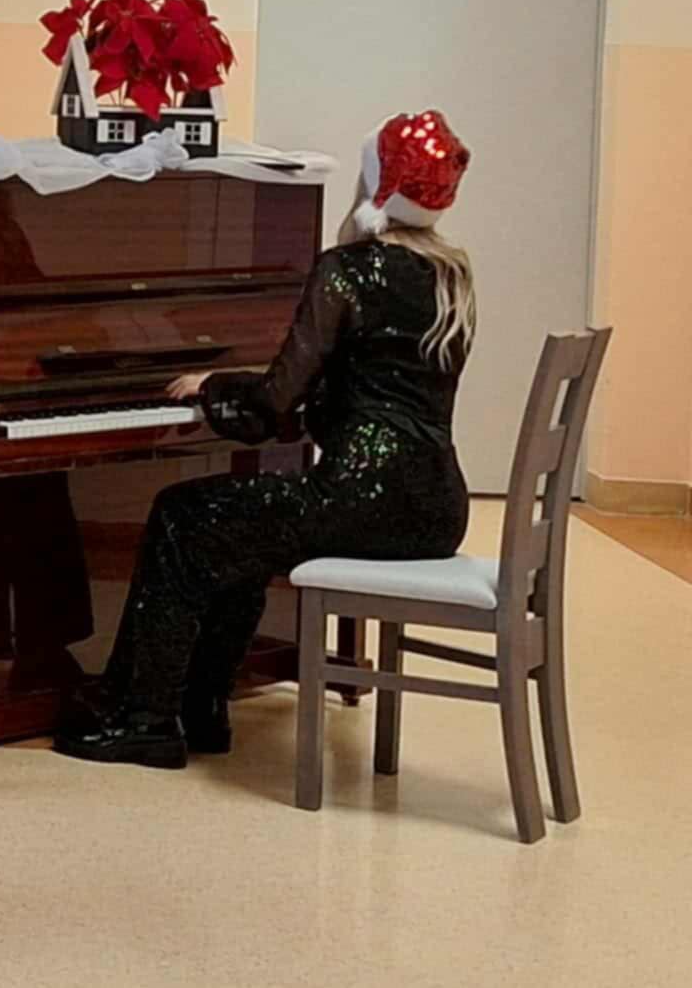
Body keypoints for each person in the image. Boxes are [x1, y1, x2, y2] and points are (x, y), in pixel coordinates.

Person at [54, 110, 475, 769]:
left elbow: (274, 403)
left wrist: (214, 385)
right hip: (437, 510)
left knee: (181, 514)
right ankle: (202, 704)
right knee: (244, 526)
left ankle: (144, 716)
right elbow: (364, 382)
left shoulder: (346, 269)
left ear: (376, 185)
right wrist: (257, 381)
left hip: (360, 501)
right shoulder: (452, 277)